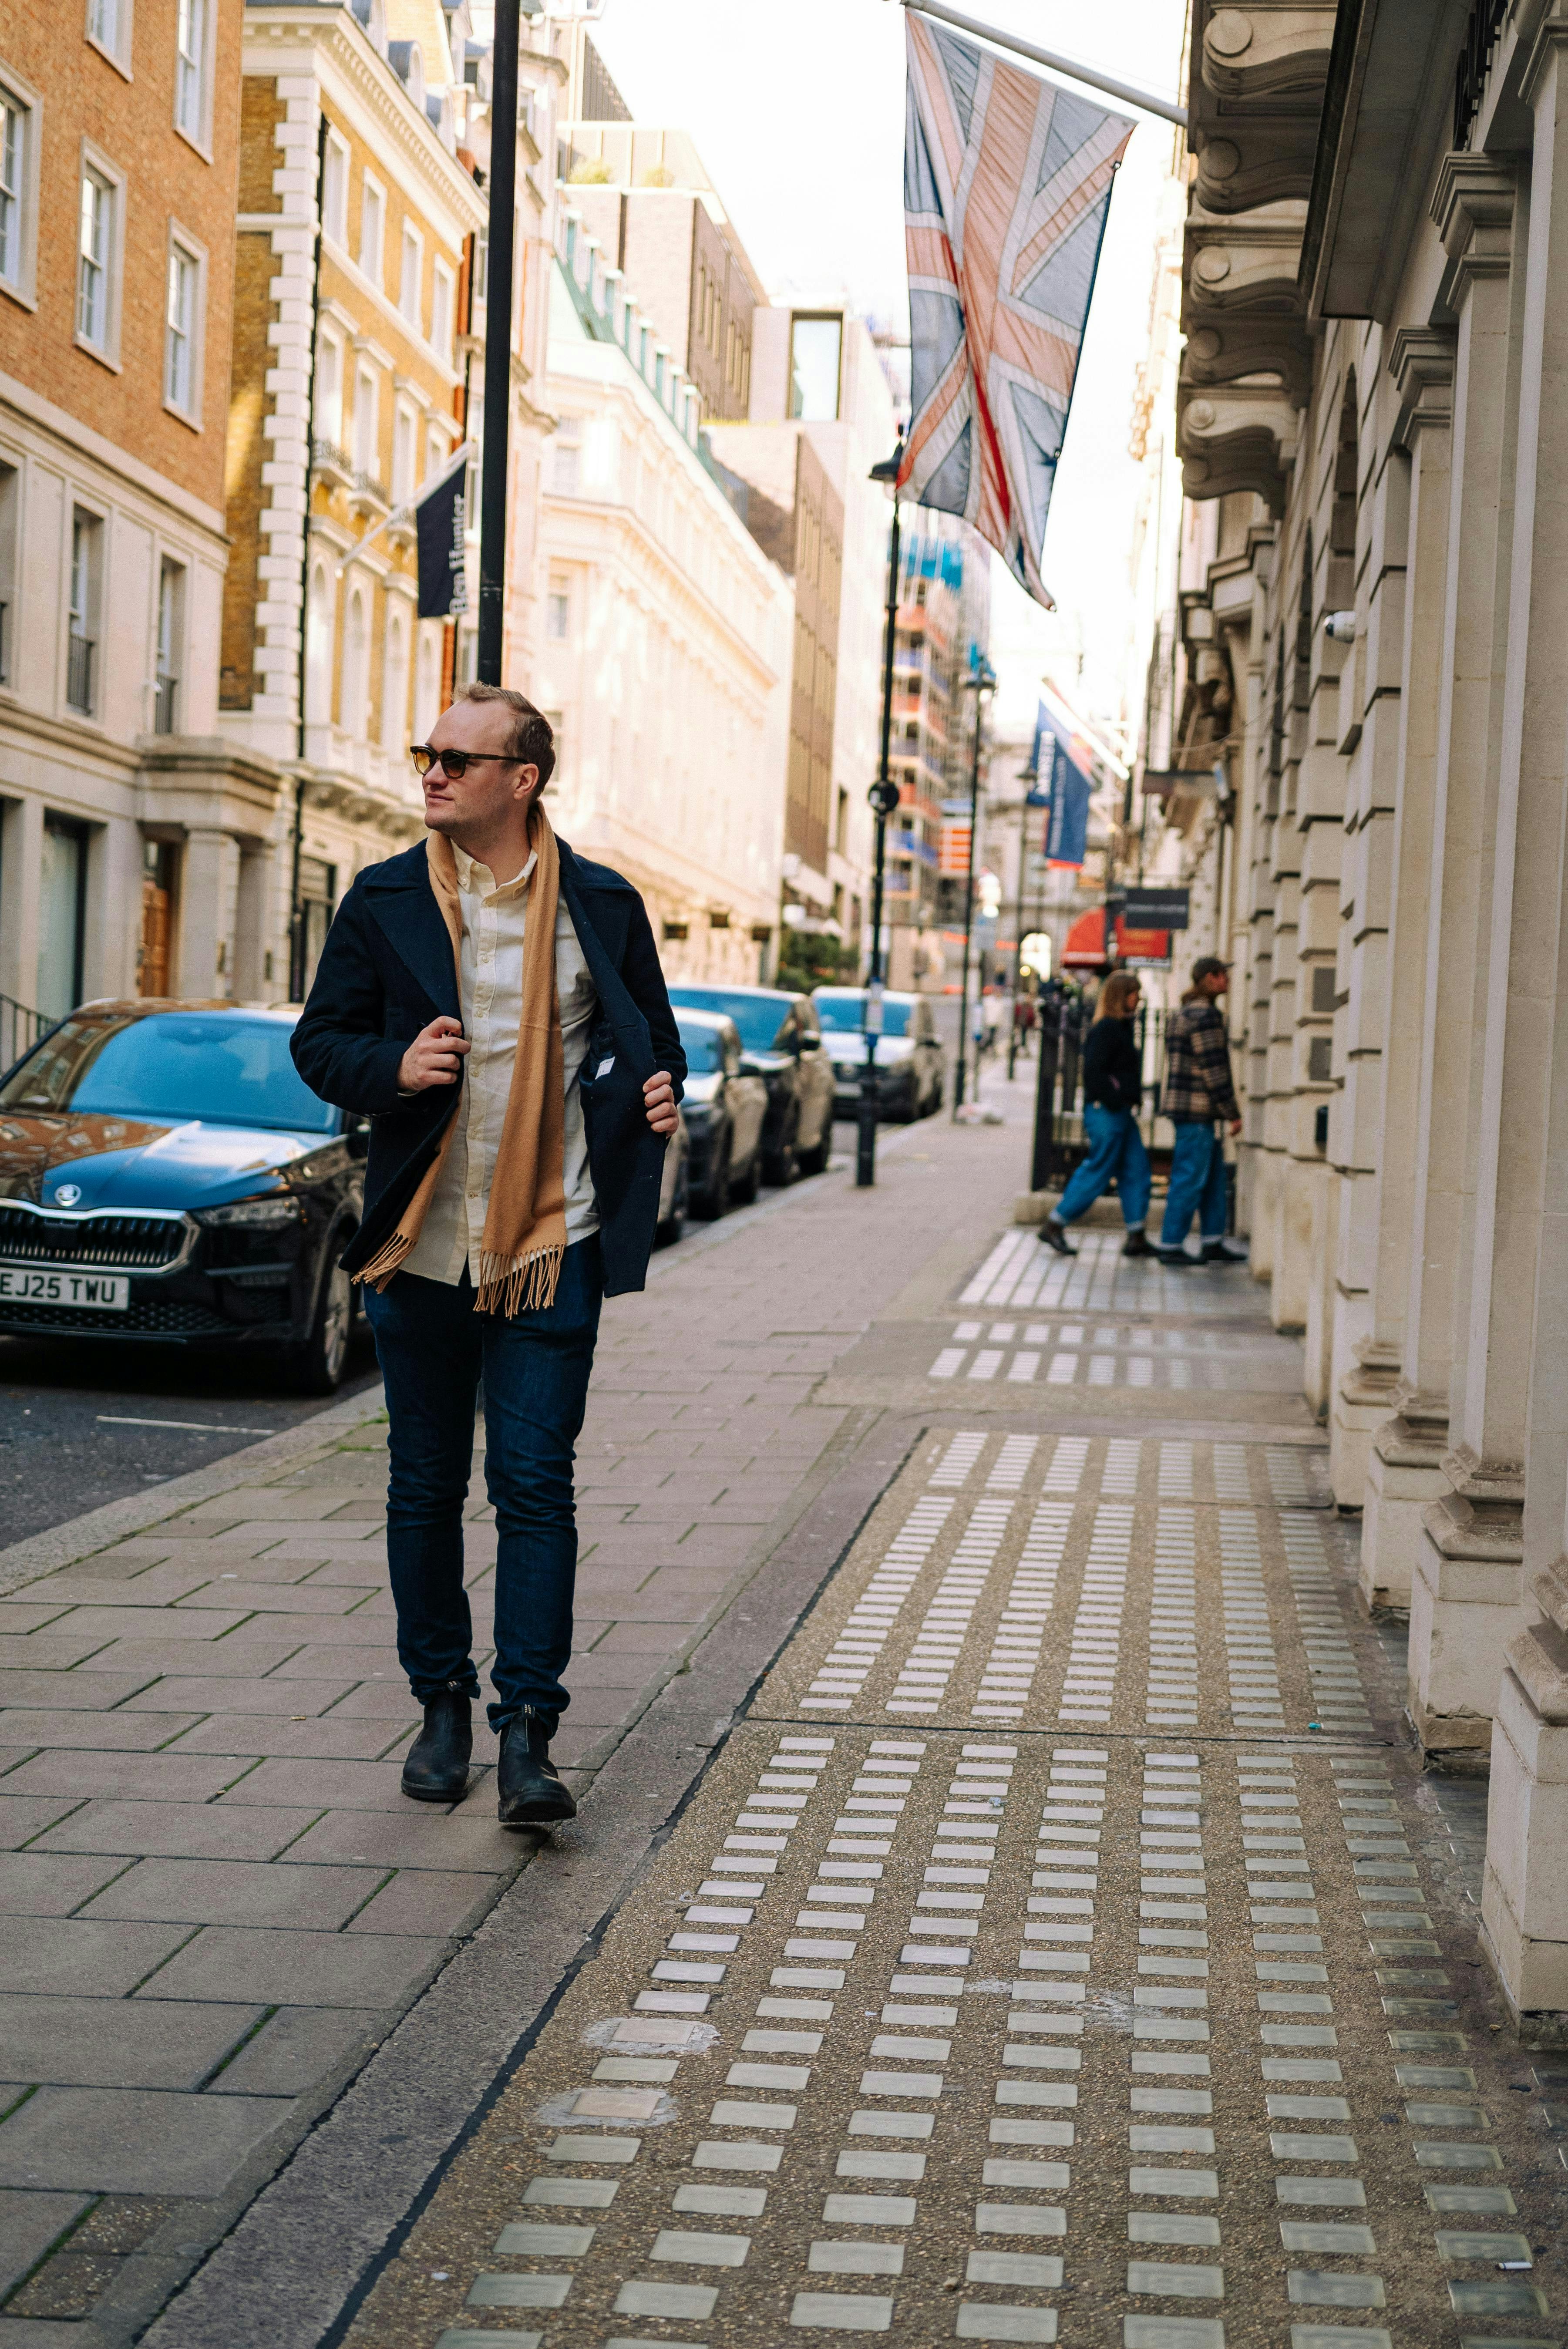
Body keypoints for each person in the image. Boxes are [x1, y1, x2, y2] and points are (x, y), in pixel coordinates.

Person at [291, 682, 685, 1828]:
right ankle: (441, 1708)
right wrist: (391, 1068)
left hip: (551, 1240)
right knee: (423, 1487)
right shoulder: (384, 898)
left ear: (524, 780)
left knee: (533, 1488)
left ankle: (528, 1733)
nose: (435, 773)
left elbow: (647, 1044)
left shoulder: (602, 906)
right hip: (424, 1248)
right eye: (430, 754)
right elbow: (322, 1043)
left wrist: (657, 1091)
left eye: (461, 759)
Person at [1038, 970, 1152, 1258]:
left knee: (1137, 1170)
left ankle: (1136, 1235)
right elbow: (1093, 1074)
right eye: (1133, 993)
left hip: (1120, 1113)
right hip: (1106, 1113)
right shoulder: (1106, 1030)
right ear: (1120, 996)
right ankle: (1055, 1224)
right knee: (1098, 1170)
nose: (1138, 999)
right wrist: (1116, 1100)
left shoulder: (1122, 1027)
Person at [1157, 954, 1248, 1266]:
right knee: (1190, 1177)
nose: (1228, 981)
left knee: (1212, 1180)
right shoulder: (1207, 1016)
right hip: (1198, 1112)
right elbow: (1215, 1070)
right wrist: (1233, 1112)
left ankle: (1213, 1241)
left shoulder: (1183, 1013)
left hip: (1190, 1110)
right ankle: (1171, 1244)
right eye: (1224, 975)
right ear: (1210, 978)